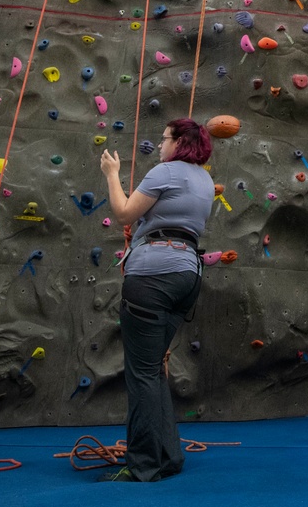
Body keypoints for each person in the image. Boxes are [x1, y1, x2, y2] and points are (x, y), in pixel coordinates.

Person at [99, 117, 214, 482]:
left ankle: (145, 464)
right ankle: (168, 457)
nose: (160, 144)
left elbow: (122, 213)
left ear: (179, 142)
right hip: (187, 274)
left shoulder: (164, 172)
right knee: (154, 370)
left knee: (142, 374)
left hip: (152, 274)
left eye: (164, 138)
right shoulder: (205, 180)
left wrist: (111, 173)